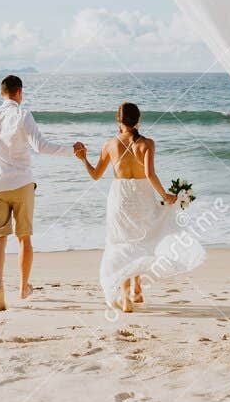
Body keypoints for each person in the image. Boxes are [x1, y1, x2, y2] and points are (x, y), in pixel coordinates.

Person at [0, 75, 83, 311]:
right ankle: (22, 286)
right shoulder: (23, 114)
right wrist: (72, 150)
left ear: (2, 93)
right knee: (24, 238)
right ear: (19, 92)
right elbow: (41, 146)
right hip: (21, 182)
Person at [76, 102, 204, 313]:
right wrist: (166, 196)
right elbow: (150, 174)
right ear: (138, 120)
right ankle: (136, 289)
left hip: (120, 198)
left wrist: (83, 159)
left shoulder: (110, 144)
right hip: (142, 195)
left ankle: (127, 296)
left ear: (118, 120)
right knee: (141, 240)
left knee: (124, 243)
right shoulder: (147, 144)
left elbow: (95, 175)